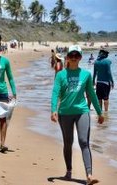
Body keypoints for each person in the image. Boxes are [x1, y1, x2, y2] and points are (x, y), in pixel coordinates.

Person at [51, 45, 104, 185]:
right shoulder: (61, 74)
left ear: (80, 58)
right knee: (68, 143)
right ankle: (69, 170)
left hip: (82, 111)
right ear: (67, 57)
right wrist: (53, 110)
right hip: (65, 113)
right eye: (71, 55)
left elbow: (91, 94)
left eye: (77, 56)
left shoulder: (86, 74)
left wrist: (100, 112)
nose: (74, 58)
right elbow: (55, 92)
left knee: (84, 142)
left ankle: (89, 175)